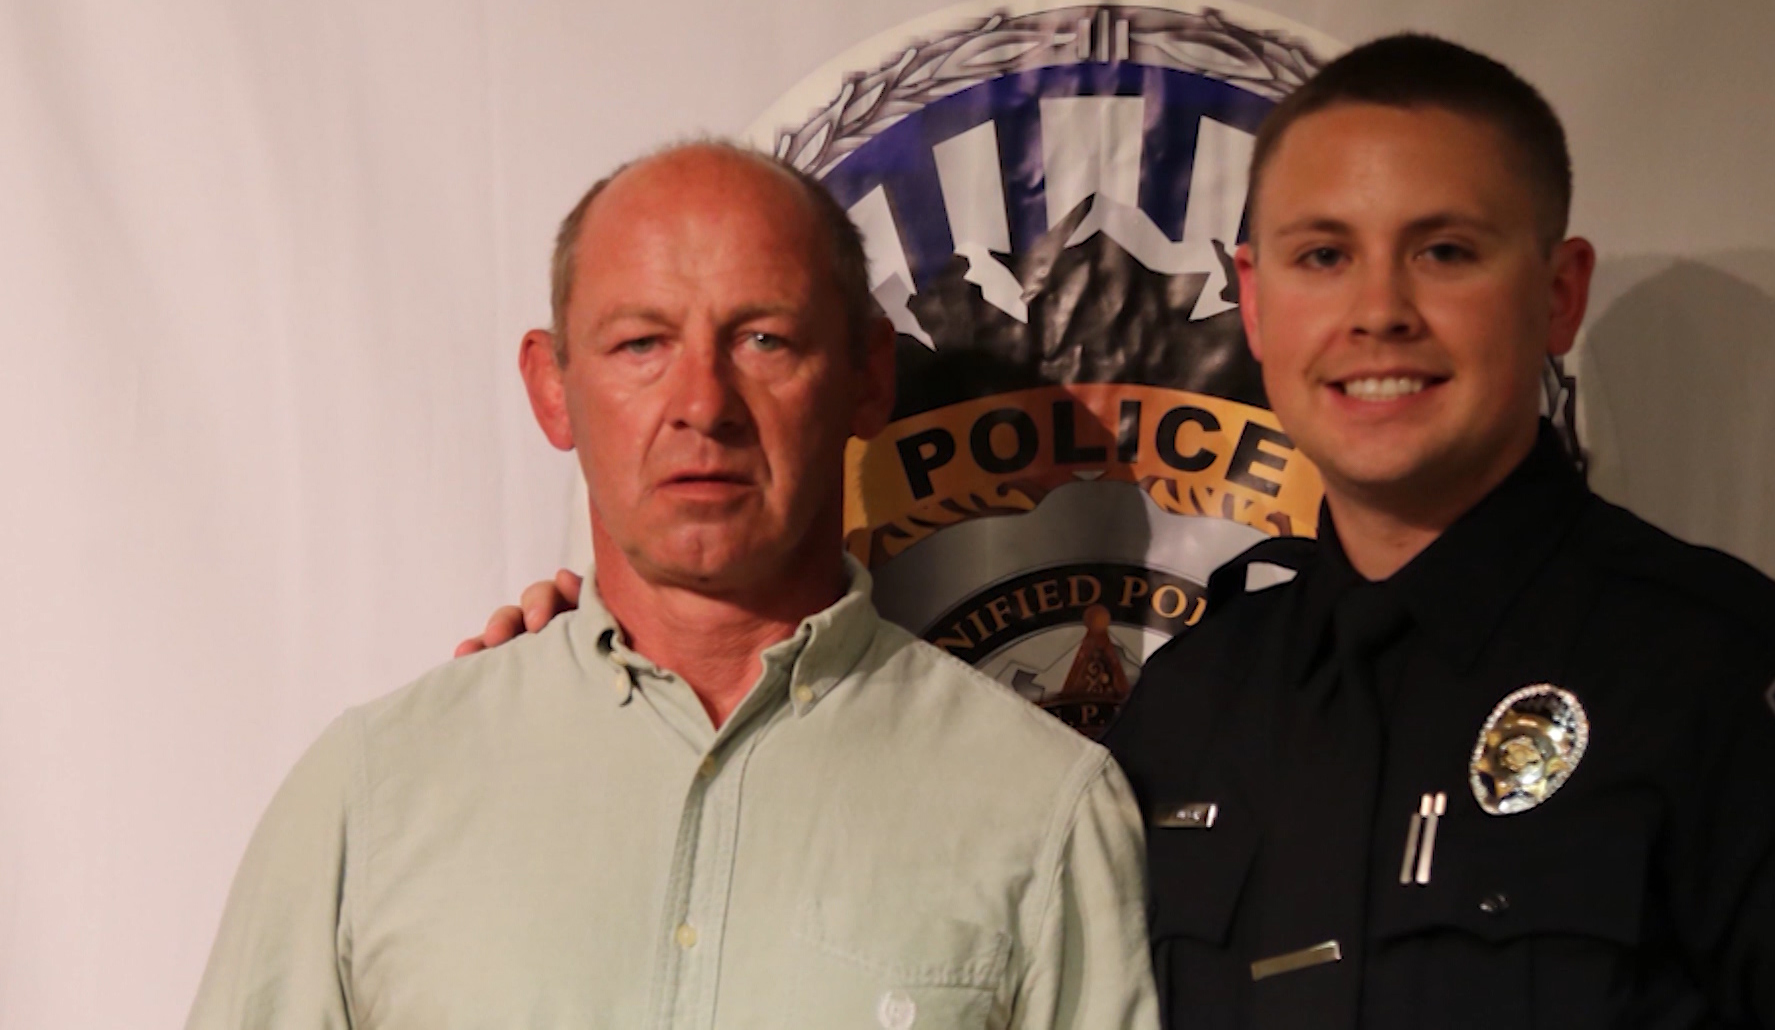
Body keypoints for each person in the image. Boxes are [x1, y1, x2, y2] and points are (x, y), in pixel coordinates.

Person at [188, 142, 1158, 1030]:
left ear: (868, 376)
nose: (703, 405)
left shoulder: (1044, 809)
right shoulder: (373, 794)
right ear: (553, 386)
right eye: (641, 344)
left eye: (764, 339)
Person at [1100, 34, 1775, 1028]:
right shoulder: (1188, 709)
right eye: (1324, 255)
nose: (1379, 312)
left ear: (1558, 294)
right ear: (1259, 304)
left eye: (1445, 252)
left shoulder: (1734, 684)